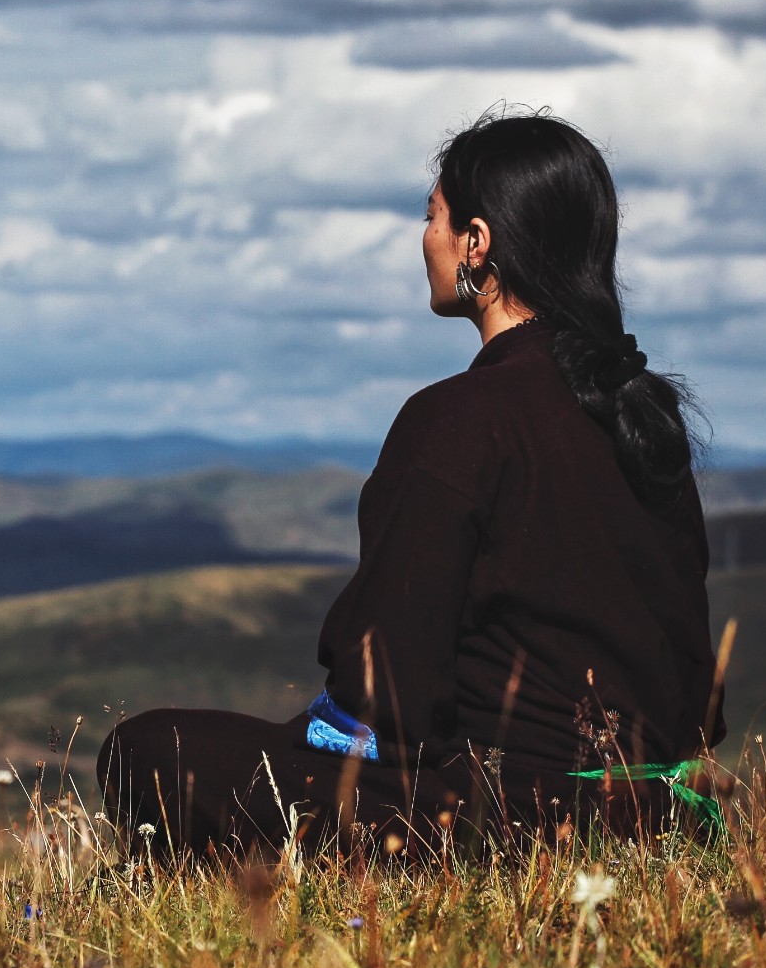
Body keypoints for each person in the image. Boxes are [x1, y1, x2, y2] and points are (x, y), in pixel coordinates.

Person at [100, 111, 723, 857]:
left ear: (477, 243)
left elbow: (388, 687)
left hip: (498, 817)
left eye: (433, 217)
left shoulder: (457, 417)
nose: (425, 237)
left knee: (148, 749)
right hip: (654, 810)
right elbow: (695, 687)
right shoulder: (642, 412)